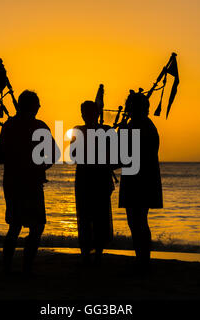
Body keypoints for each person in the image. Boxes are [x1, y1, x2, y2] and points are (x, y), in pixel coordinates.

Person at [0, 90, 58, 275]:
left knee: (15, 226)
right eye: (37, 103)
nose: (40, 106)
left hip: (12, 182)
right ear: (32, 106)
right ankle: (26, 268)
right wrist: (41, 168)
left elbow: (1, 154)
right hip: (30, 183)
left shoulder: (9, 125)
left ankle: (8, 268)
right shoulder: (39, 126)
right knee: (36, 226)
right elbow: (54, 154)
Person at [118, 90, 163, 272]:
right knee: (138, 221)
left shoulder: (139, 126)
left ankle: (143, 262)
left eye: (129, 105)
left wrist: (120, 134)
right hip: (142, 177)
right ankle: (142, 260)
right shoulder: (142, 124)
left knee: (137, 221)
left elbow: (126, 154)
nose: (127, 108)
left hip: (139, 179)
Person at [71, 101, 115, 265]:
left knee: (98, 216)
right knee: (88, 215)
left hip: (97, 177)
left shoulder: (105, 130)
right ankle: (89, 254)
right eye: (85, 112)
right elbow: (74, 155)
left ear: (97, 113)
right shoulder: (86, 130)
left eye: (89, 112)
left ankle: (94, 254)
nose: (86, 115)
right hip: (87, 177)